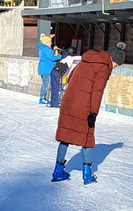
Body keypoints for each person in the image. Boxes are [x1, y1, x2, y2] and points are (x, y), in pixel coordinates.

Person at [51, 42, 126, 184]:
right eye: (116, 65)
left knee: (65, 135)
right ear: (113, 60)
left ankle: (58, 171)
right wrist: (93, 113)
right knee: (87, 137)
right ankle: (87, 174)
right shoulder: (103, 68)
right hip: (84, 106)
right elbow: (97, 93)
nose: (114, 68)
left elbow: (72, 76)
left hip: (69, 101)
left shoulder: (86, 59)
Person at [37, 33, 59, 105]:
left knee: (45, 83)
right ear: (46, 43)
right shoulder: (46, 49)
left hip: (43, 68)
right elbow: (52, 58)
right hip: (47, 69)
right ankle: (42, 98)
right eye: (50, 42)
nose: (51, 43)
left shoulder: (43, 49)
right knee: (46, 84)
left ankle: (43, 97)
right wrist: (61, 56)